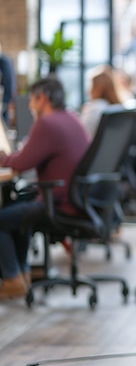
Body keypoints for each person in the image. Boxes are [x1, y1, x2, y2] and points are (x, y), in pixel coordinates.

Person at [0, 77, 90, 299]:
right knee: (16, 205)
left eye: (31, 99)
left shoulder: (47, 123)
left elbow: (21, 163)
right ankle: (21, 275)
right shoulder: (71, 118)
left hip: (58, 202)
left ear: (42, 99)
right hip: (73, 199)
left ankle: (12, 279)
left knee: (3, 219)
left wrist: (2, 157)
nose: (29, 105)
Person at [80, 65, 122, 139]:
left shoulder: (94, 110)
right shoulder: (117, 109)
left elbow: (81, 134)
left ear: (96, 88)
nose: (88, 90)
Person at [0, 43, 17, 126]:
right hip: (4, 99)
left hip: (4, 100)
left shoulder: (4, 62)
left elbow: (9, 83)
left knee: (3, 124)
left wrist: (6, 102)